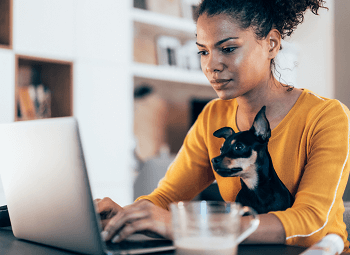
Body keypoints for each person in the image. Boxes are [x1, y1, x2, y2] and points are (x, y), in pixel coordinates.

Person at [96, 0, 350, 251]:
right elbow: (166, 198)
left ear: (272, 44)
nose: (211, 66)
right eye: (203, 51)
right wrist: (127, 216)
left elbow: (312, 222)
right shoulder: (212, 116)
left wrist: (187, 225)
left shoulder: (327, 117)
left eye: (227, 49)